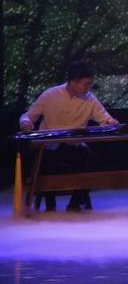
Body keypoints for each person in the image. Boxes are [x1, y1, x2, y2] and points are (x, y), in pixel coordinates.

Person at [19, 60, 118, 211]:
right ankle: (50, 205)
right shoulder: (50, 95)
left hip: (74, 145)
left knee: (91, 160)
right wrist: (26, 123)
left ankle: (75, 203)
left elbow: (105, 119)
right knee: (46, 163)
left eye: (90, 84)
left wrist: (110, 122)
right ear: (73, 82)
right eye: (86, 84)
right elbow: (28, 116)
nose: (89, 88)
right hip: (50, 147)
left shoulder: (90, 99)